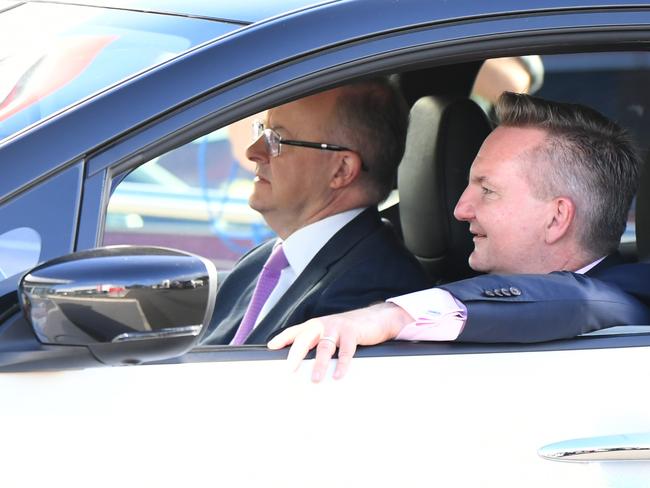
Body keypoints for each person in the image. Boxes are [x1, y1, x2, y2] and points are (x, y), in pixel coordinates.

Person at [268, 92, 650, 382]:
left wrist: (392, 315)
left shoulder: (623, 304)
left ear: (556, 218)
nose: (460, 209)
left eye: (488, 190)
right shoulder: (460, 289)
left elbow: (577, 299)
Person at [202, 78, 429, 345]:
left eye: (278, 139)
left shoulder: (366, 295)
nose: (254, 152)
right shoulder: (266, 258)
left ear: (341, 170)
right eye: (261, 131)